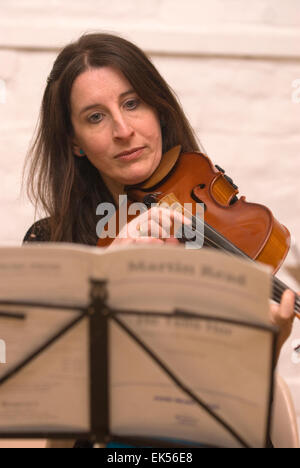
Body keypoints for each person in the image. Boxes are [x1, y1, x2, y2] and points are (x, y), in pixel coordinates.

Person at [23, 32, 297, 442]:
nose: (123, 129)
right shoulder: (51, 243)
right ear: (75, 143)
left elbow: (237, 410)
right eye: (96, 117)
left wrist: (268, 344)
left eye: (133, 104)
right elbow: (45, 393)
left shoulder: (213, 221)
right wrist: (105, 270)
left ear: (159, 112)